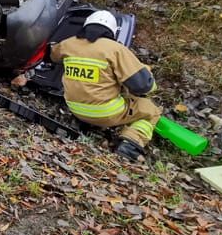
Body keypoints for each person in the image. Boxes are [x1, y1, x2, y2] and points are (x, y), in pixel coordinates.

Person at [49, 10, 161, 162]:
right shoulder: (115, 49)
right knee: (151, 110)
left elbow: (51, 56)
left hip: (74, 108)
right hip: (104, 113)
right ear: (112, 31)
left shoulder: (68, 44)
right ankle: (131, 144)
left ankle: (89, 124)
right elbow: (143, 86)